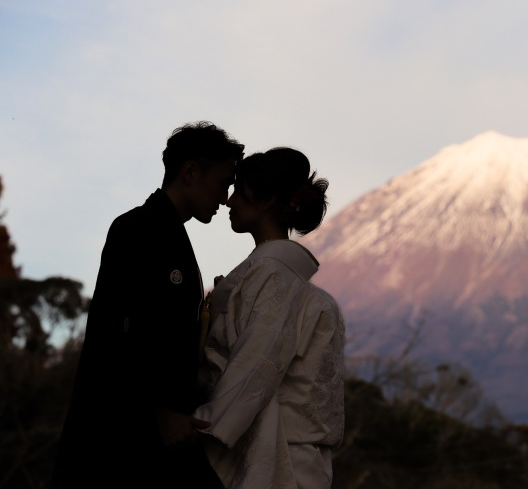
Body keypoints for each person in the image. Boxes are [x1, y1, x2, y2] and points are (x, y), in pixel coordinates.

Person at [52, 121, 244, 488]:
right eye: (223, 183)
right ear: (190, 172)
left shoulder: (171, 235)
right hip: (117, 438)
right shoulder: (137, 228)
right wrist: (160, 411)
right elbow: (119, 334)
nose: (225, 198)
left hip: (151, 437)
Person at [194, 147, 345, 488]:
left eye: (238, 192)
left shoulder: (272, 277)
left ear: (264, 202)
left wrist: (204, 424)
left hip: (277, 457)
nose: (229, 202)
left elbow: (257, 362)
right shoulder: (295, 287)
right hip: (294, 455)